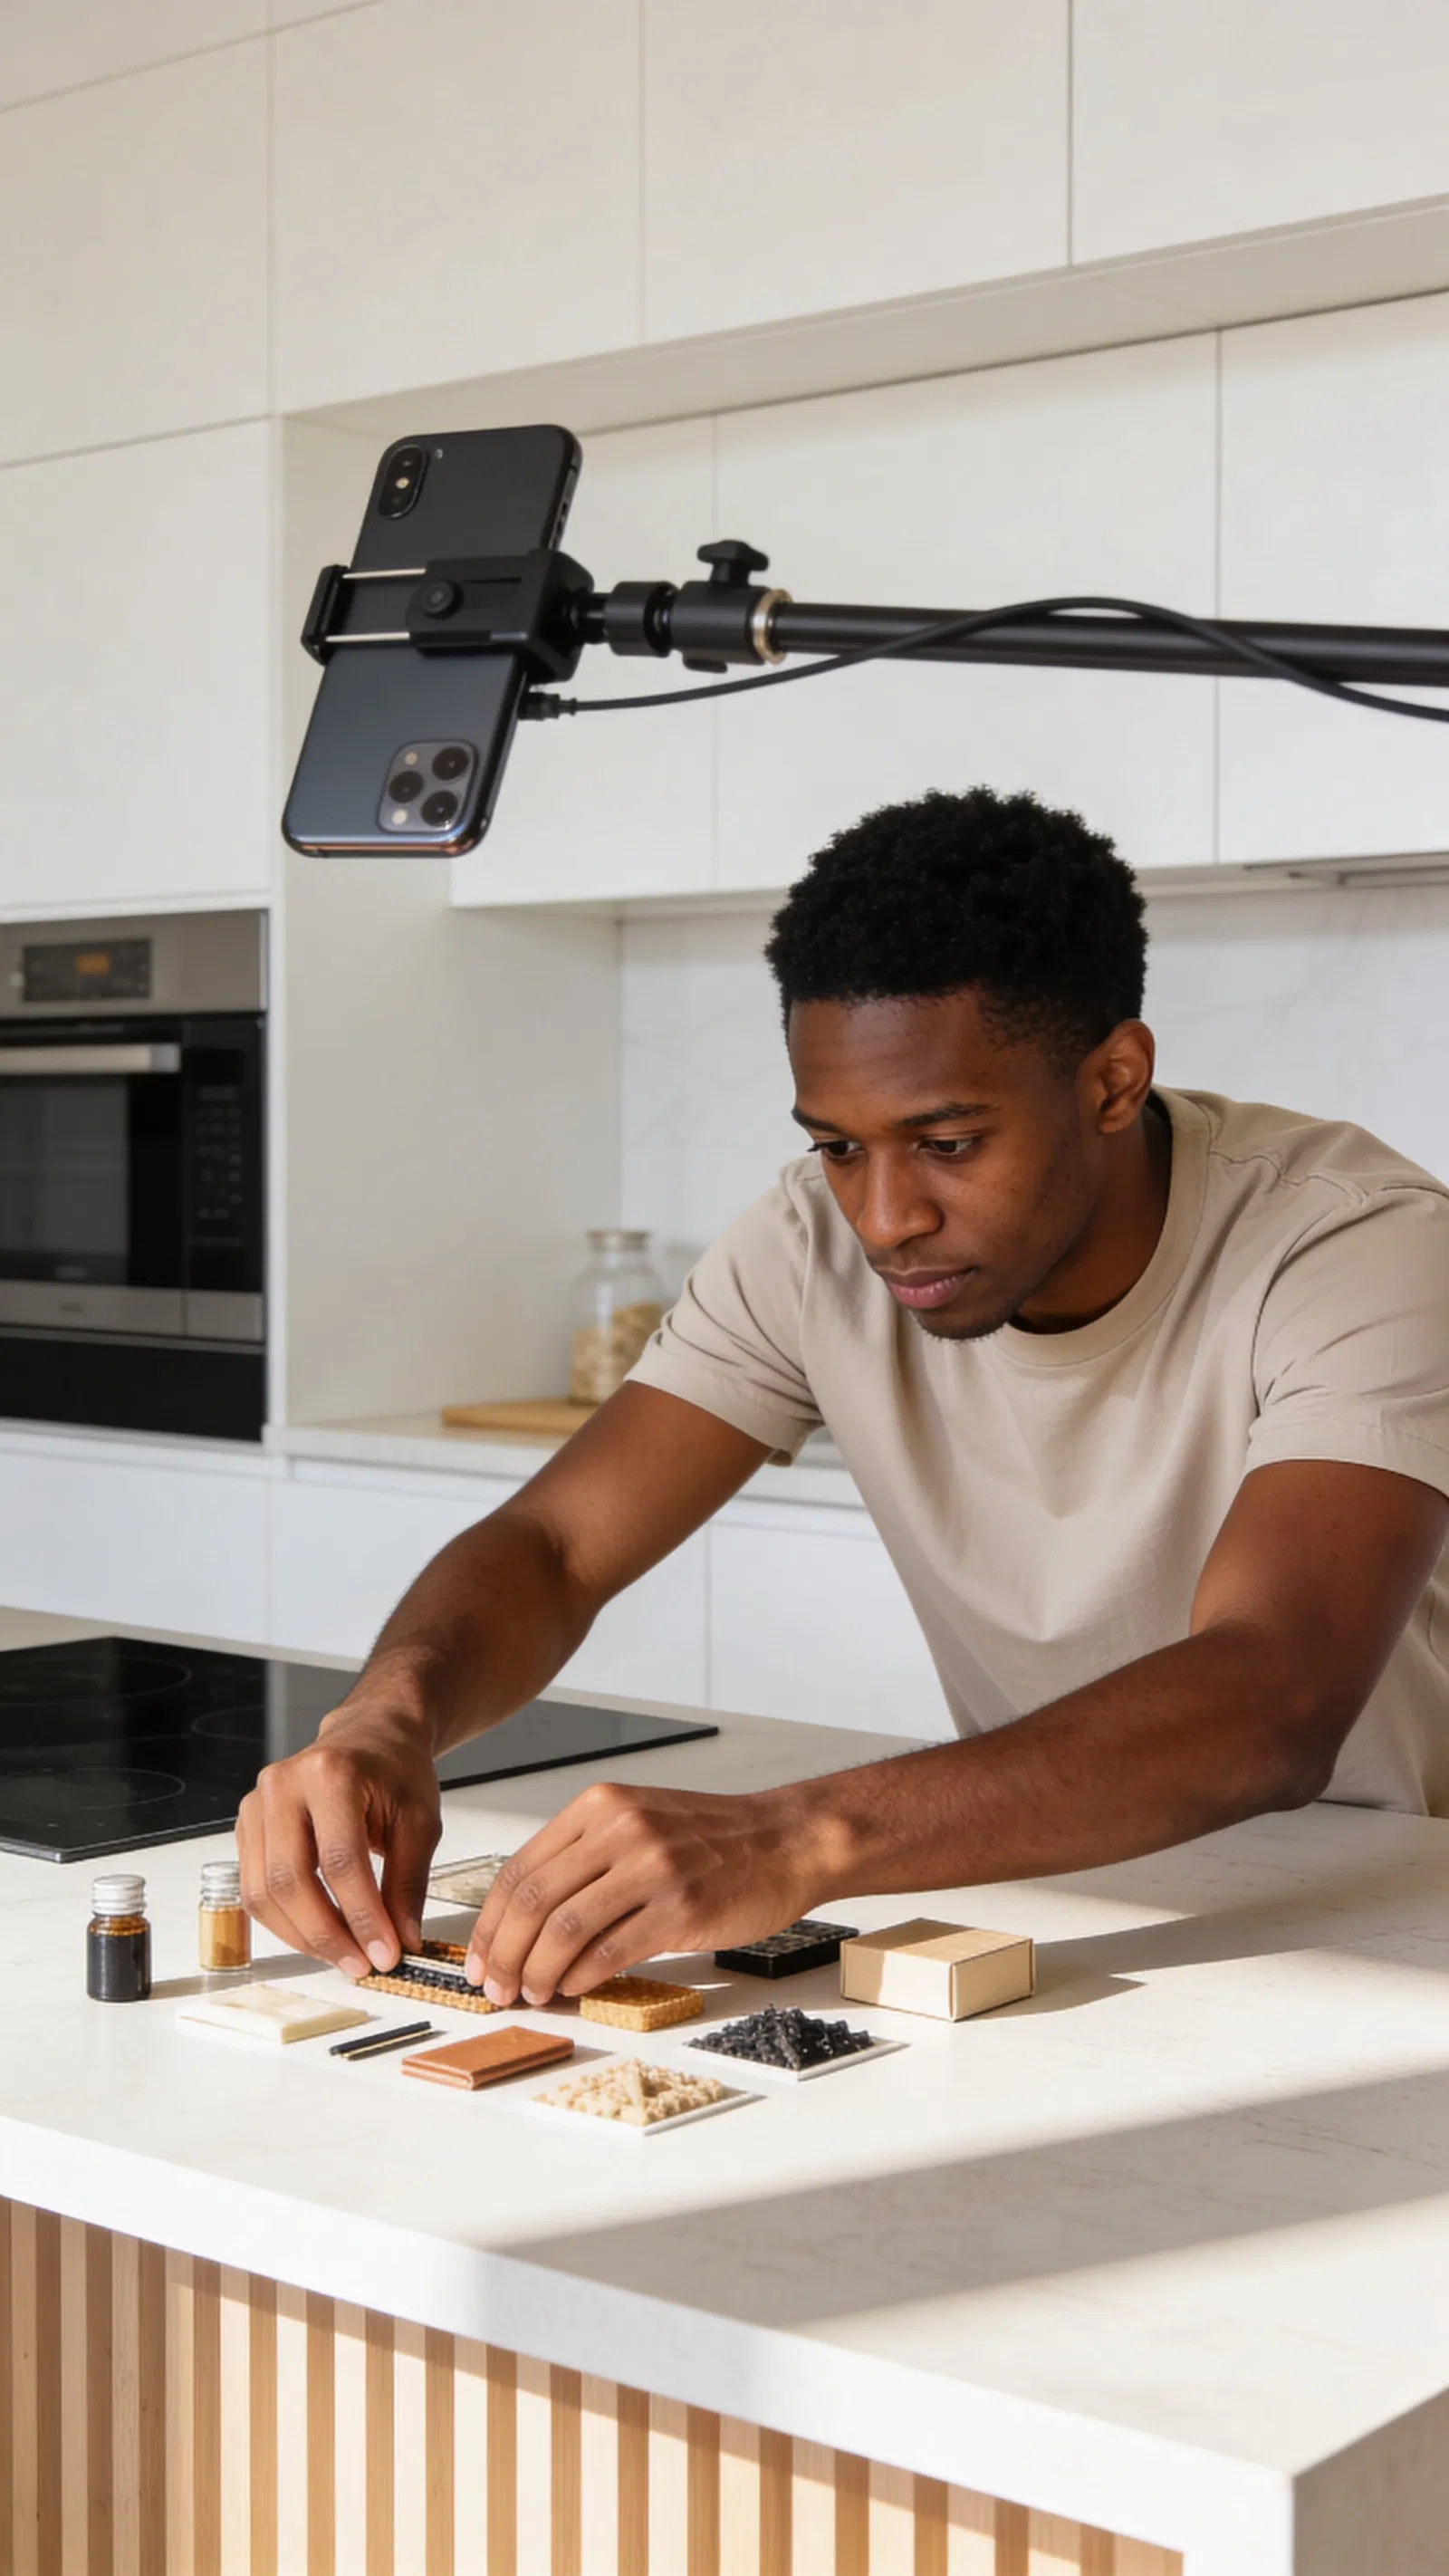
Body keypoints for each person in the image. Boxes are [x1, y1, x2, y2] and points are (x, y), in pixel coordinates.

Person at [238, 787, 1449, 2010]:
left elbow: (1275, 1692)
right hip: (1049, 1882)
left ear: (1112, 1083)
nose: (884, 1218)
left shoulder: (1356, 1244)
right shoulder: (807, 1243)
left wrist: (795, 1840)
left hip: (1384, 1903)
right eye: (840, 1145)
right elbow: (554, 1548)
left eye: (949, 1143)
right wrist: (386, 1716)